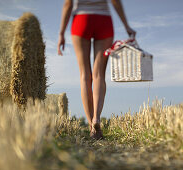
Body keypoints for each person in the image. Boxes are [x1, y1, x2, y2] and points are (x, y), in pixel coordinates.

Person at [57, 0, 136, 140]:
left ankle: (90, 126)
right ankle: (96, 119)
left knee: (84, 75)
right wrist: (126, 25)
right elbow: (115, 1)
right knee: (99, 75)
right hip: (103, 20)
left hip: (81, 20)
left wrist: (61, 33)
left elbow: (68, 4)